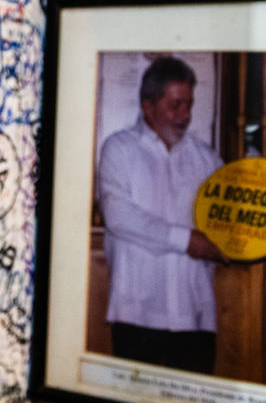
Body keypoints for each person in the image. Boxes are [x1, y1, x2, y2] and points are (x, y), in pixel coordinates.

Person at [96, 57, 224, 374]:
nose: (186, 115)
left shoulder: (206, 158)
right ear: (148, 106)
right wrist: (186, 240)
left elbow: (236, 216)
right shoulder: (119, 149)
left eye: (189, 105)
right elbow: (118, 215)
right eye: (176, 105)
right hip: (137, 315)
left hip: (195, 317)